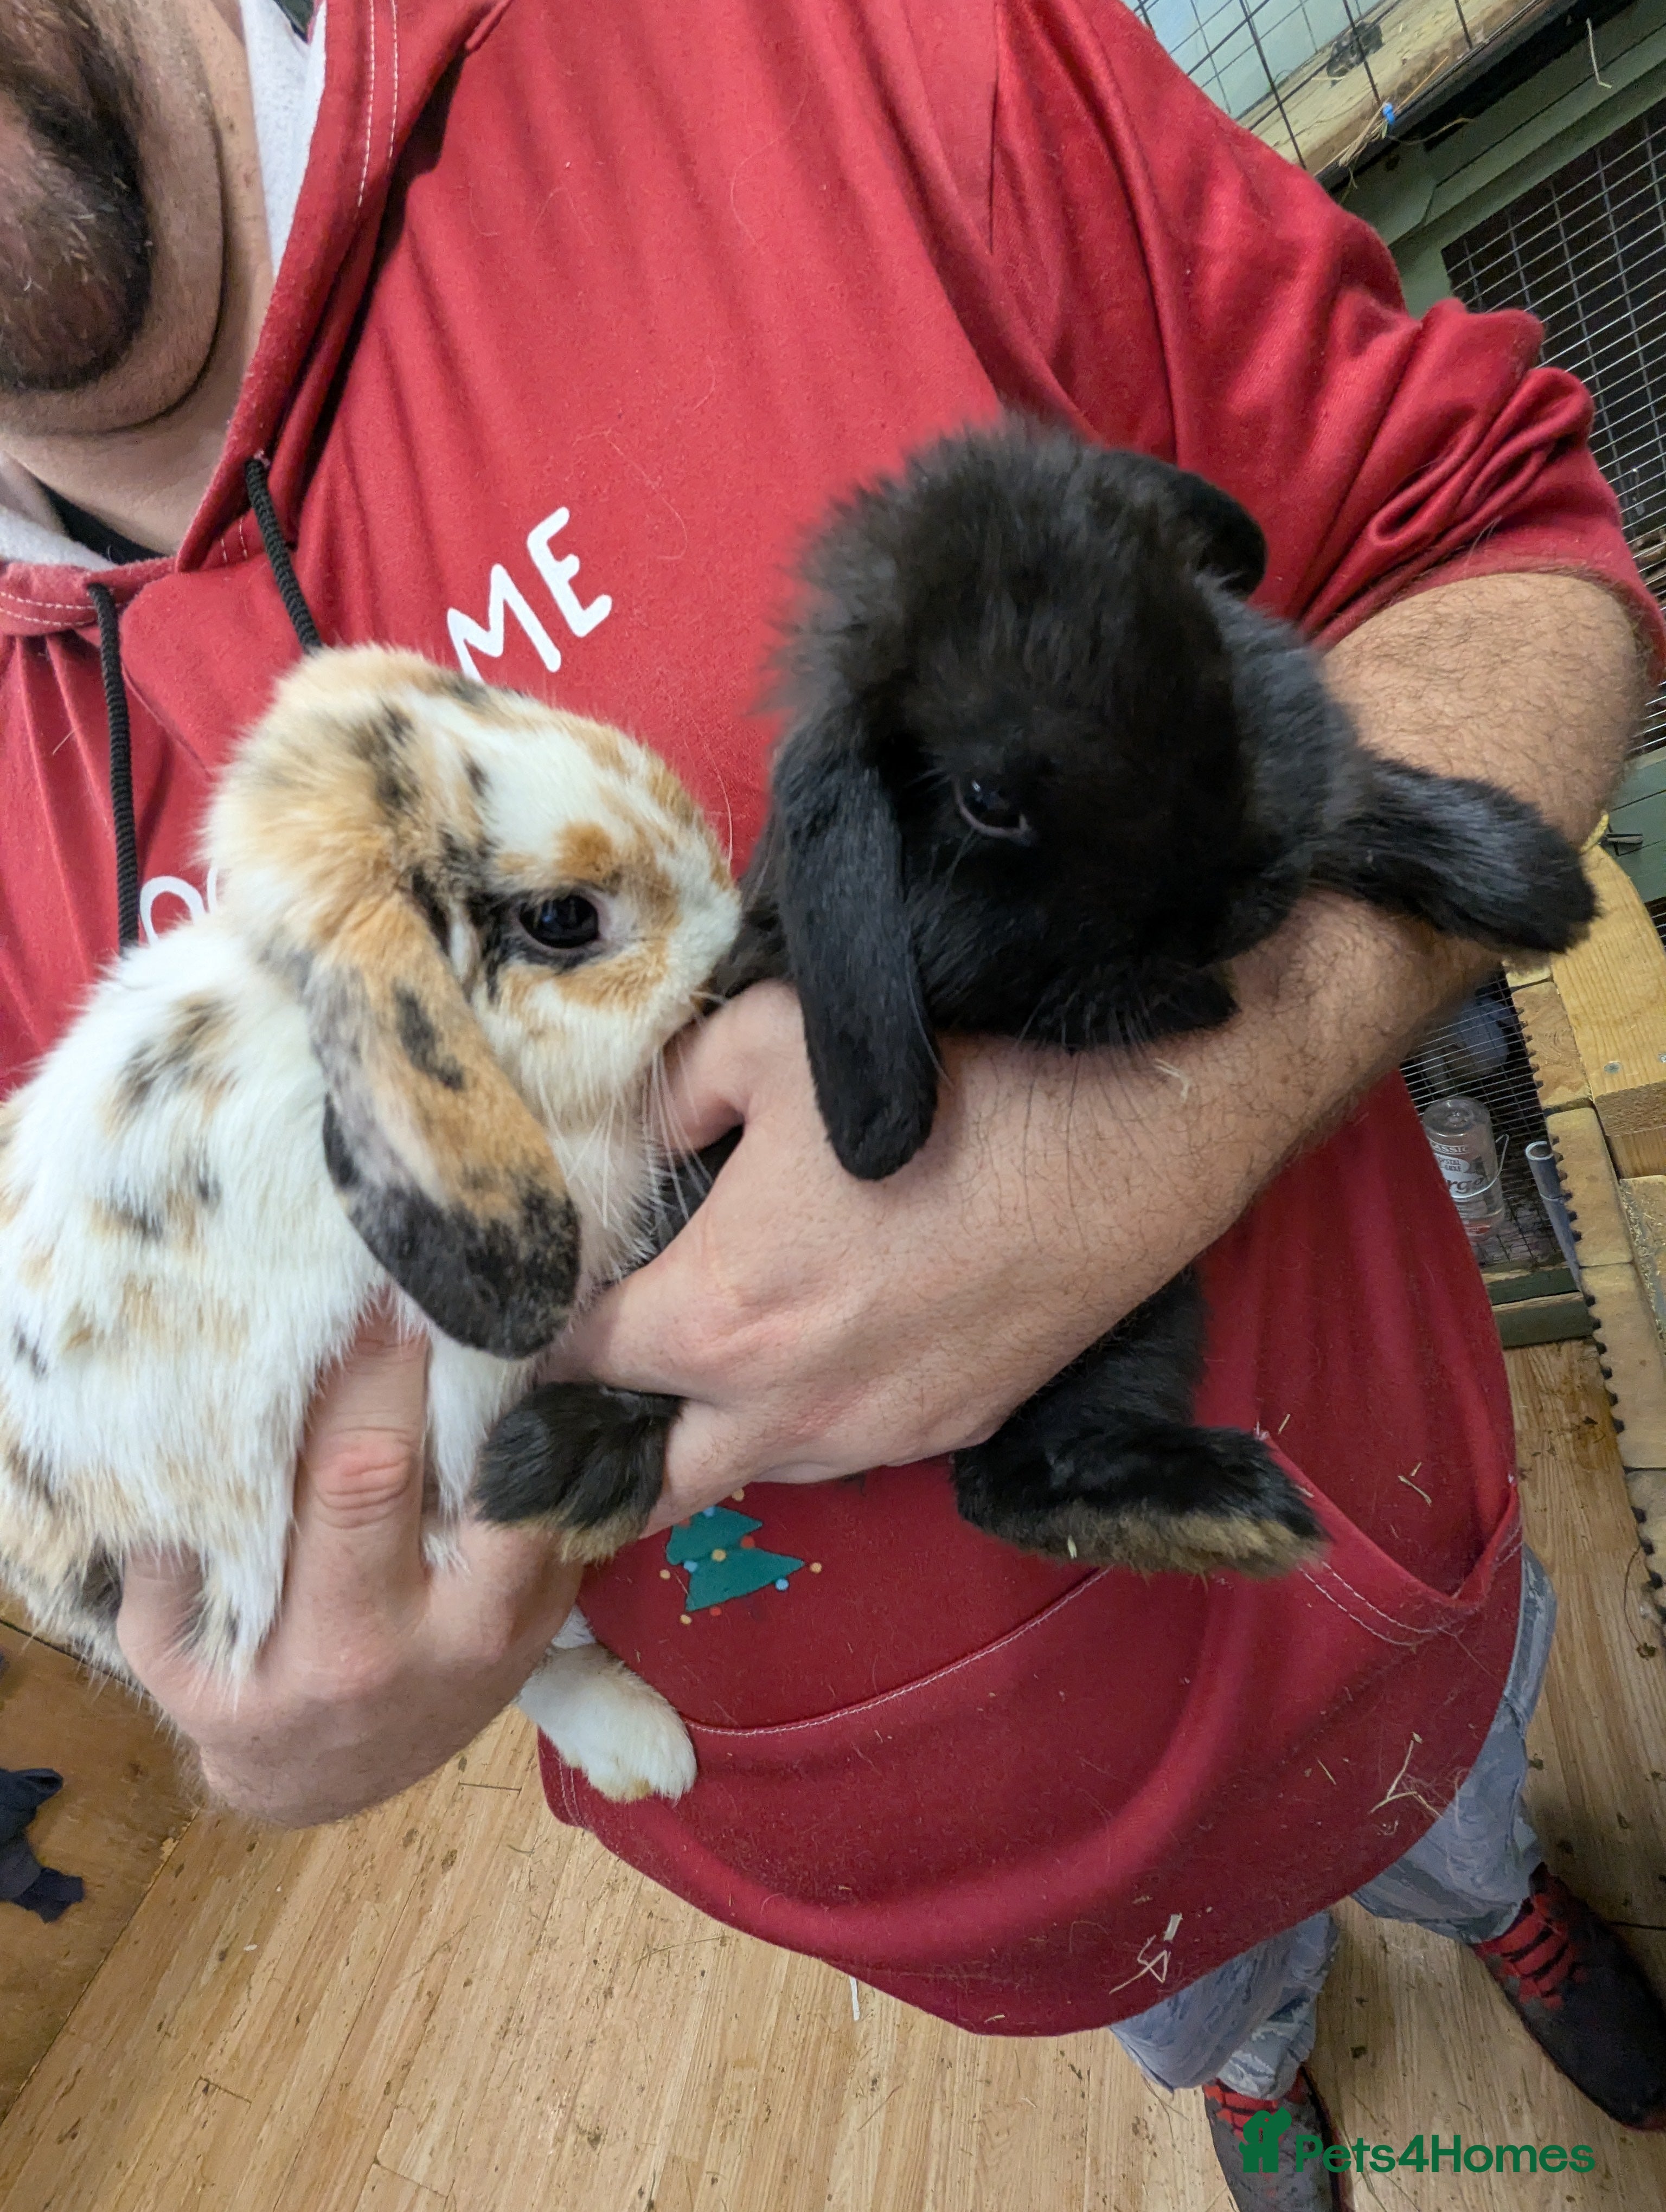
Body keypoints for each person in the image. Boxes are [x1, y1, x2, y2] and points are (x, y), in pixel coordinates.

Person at [2, 3, 1664, 2202]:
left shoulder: (815, 46)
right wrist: (275, 1723)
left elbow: (1503, 542)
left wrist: (1126, 1133)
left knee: (1452, 1805)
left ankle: (1483, 1894)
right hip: (923, 1896)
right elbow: (105, 1480)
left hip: (1354, 1596)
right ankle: (1251, 2053)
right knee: (1188, 1998)